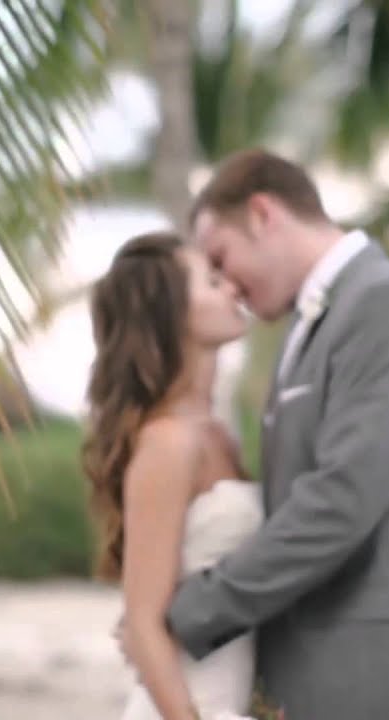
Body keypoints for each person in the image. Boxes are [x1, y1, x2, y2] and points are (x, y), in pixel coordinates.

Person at [119, 148, 389, 719]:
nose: (229, 286)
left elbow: (340, 501)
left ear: (264, 215)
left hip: (383, 670)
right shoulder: (315, 323)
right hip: (313, 678)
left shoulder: (385, 305)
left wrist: (187, 613)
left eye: (222, 257)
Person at [83, 231, 263, 719]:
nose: (233, 290)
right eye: (212, 282)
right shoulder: (169, 442)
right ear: (173, 313)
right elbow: (142, 624)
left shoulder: (219, 433)